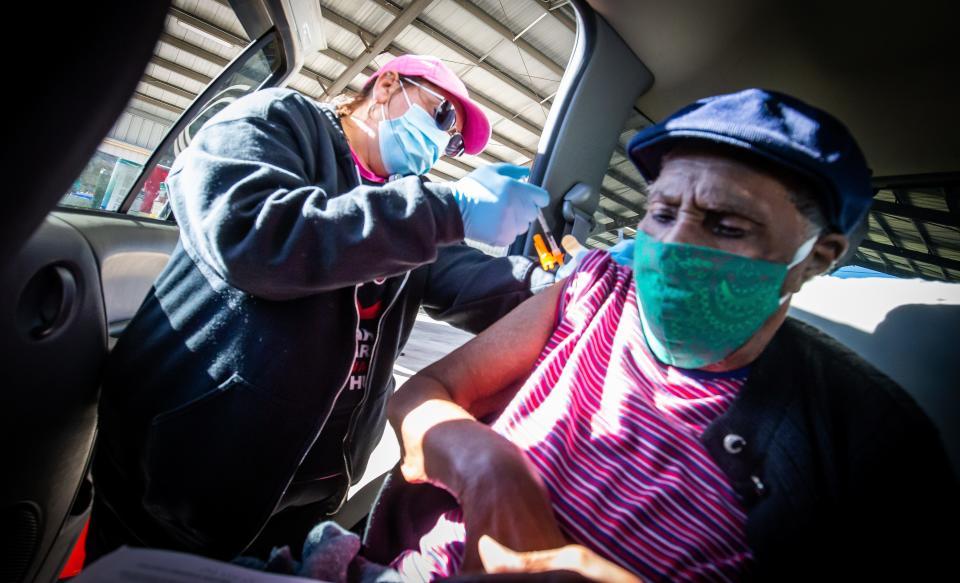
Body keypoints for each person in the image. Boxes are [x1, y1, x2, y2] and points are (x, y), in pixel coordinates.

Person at [381, 89, 959, 582]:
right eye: (662, 212)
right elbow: (423, 395)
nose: (676, 245)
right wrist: (492, 471)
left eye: (727, 224)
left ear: (817, 258)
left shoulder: (870, 436)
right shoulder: (598, 292)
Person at [88, 54, 555, 561]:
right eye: (442, 117)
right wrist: (446, 208)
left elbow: (472, 280)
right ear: (386, 86)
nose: (443, 144)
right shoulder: (277, 120)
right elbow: (248, 237)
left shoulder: (403, 210)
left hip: (305, 497)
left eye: (455, 140)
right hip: (184, 476)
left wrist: (571, 285)